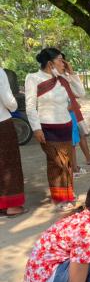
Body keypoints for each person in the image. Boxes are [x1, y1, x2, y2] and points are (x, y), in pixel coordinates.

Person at [25, 48, 85, 212]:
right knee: (57, 163)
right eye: (60, 60)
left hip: (65, 126)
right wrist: (36, 129)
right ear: (50, 63)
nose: (64, 63)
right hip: (47, 128)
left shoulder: (63, 79)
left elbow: (81, 93)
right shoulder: (33, 78)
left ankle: (68, 194)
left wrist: (71, 75)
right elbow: (30, 107)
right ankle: (59, 198)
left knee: (68, 162)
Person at [0, 67, 27, 217]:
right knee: (9, 164)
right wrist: (14, 105)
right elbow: (8, 101)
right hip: (2, 123)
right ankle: (12, 206)